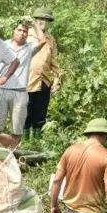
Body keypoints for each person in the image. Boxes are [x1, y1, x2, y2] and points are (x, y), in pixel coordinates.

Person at [0, 18, 47, 136]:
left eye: (25, 31)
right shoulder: (3, 45)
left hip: (20, 92)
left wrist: (33, 22)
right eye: (19, 30)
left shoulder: (30, 48)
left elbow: (43, 40)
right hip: (1, 90)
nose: (22, 33)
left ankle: (14, 152)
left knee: (17, 129)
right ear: (13, 31)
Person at [25, 7, 62, 138]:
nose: (44, 23)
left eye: (47, 20)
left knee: (40, 114)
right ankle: (23, 141)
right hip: (27, 80)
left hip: (44, 80)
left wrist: (58, 77)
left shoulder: (50, 38)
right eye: (41, 19)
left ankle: (36, 141)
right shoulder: (26, 34)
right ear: (35, 20)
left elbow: (54, 61)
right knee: (26, 112)